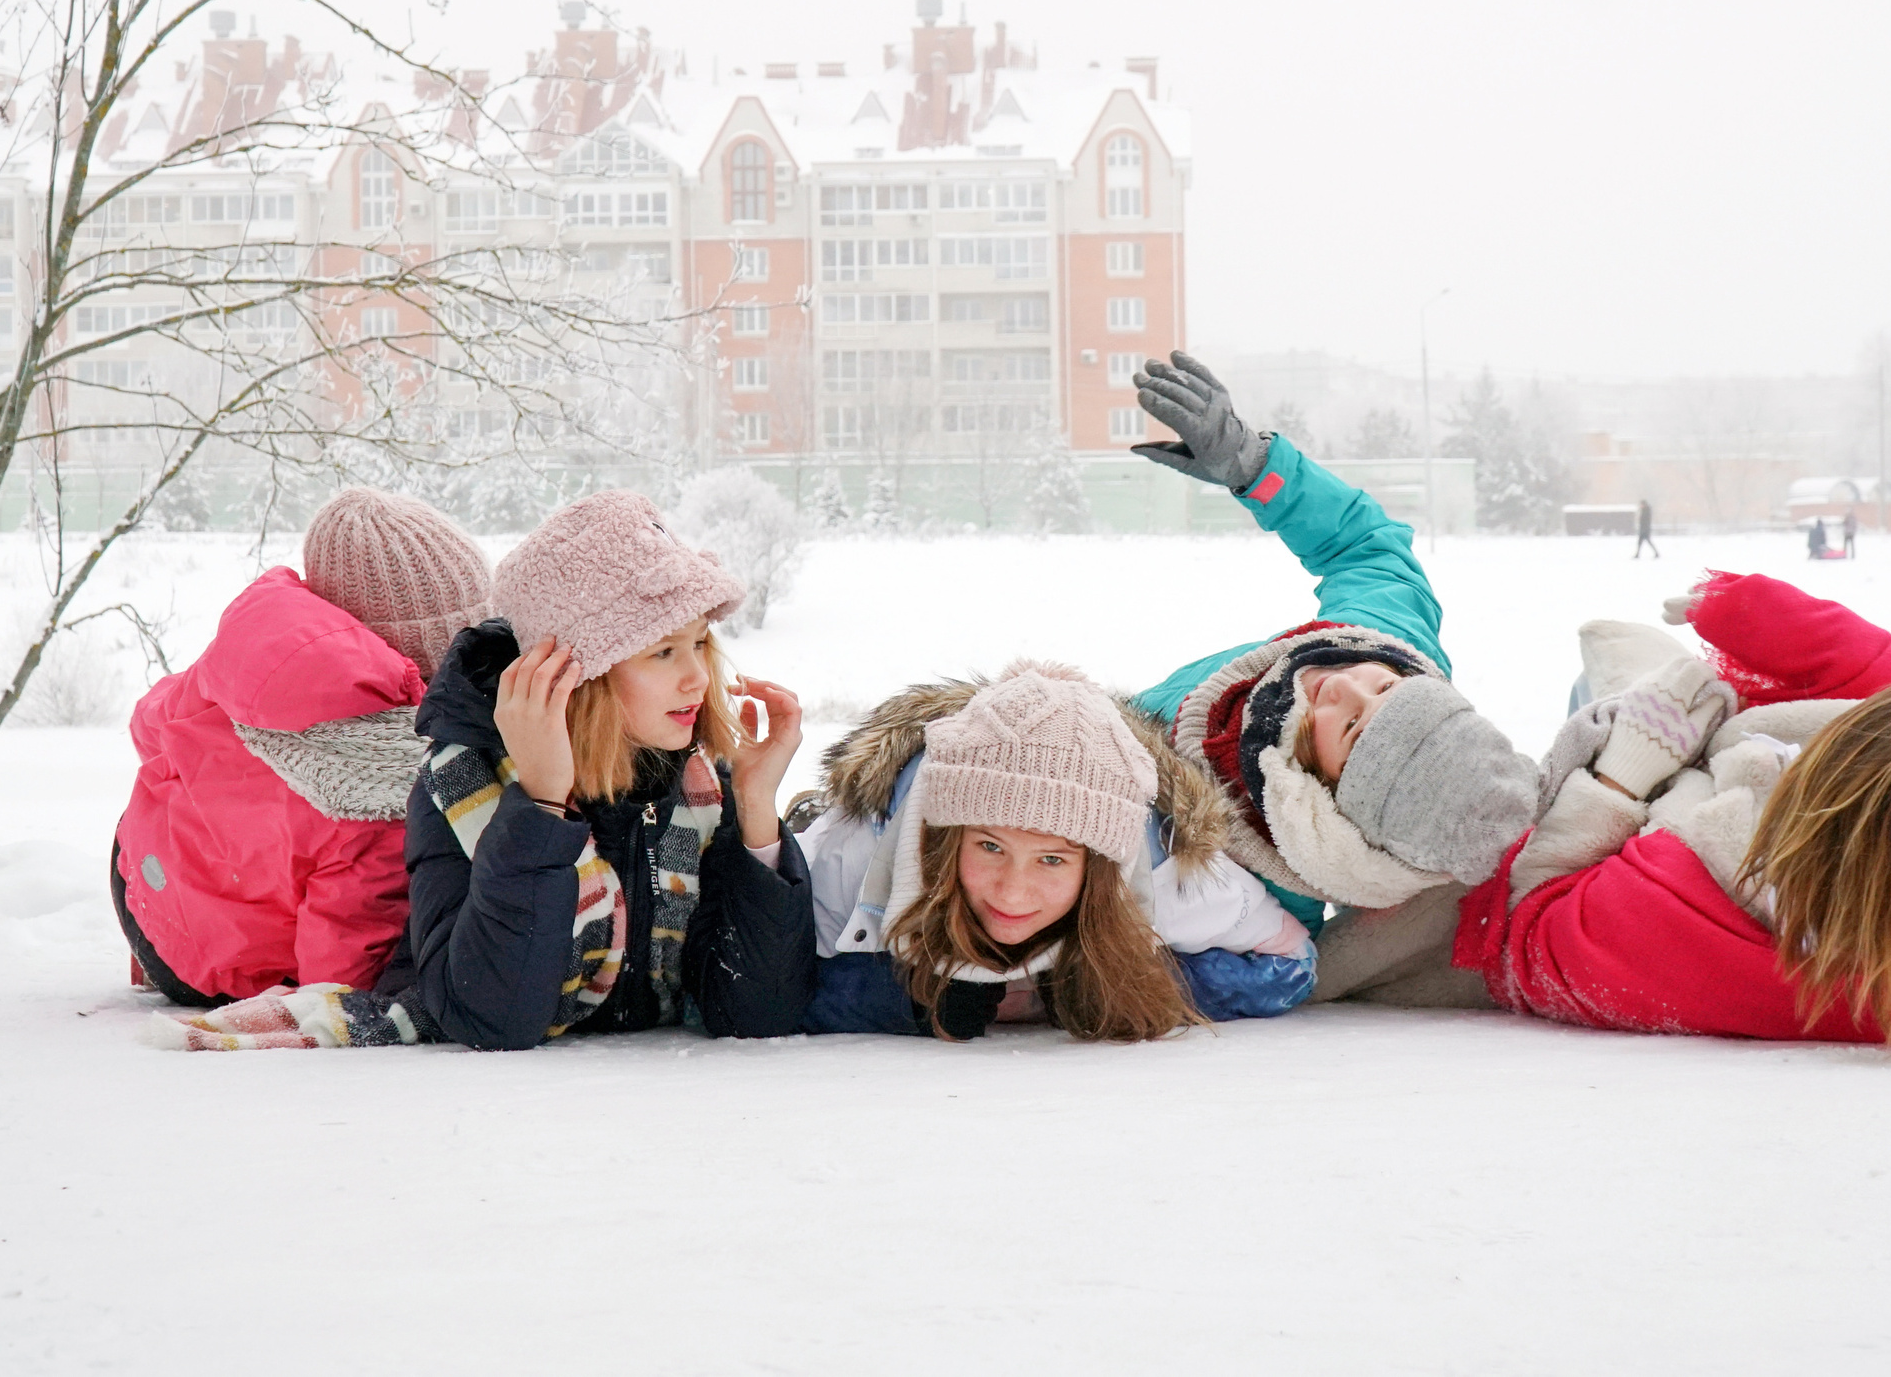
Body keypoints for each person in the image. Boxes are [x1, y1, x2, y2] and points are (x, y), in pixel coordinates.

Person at [155, 492, 817, 1050]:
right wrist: (541, 807)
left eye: (700, 642)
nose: (697, 675)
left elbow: (758, 1013)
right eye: (663, 652)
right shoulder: (461, 786)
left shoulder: (701, 787)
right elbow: (490, 1015)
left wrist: (758, 809)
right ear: (573, 676)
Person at [1451, 573, 1891, 1051]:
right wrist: (1779, 620)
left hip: (1661, 794)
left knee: (1613, 683)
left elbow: (1523, 943)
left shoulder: (1679, 916)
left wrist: (1619, 776)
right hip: (1738, 794)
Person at [1123, 352, 1538, 1007]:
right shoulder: (1384, 637)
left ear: (1327, 799)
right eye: (1385, 690)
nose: (1345, 686)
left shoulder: (1264, 878)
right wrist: (1252, 465)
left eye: (1350, 729)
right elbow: (1366, 545)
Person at [113, 487, 492, 1006]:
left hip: (136, 871)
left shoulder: (252, 661)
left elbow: (149, 723)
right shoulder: (383, 774)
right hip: (208, 963)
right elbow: (345, 952)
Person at [796, 663, 1315, 1040]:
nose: (1013, 892)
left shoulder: (1168, 875)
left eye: (1052, 859)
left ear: (1100, 867)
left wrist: (1076, 990)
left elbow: (1291, 963)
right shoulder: (855, 859)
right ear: (948, 838)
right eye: (990, 846)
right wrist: (913, 998)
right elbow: (780, 983)